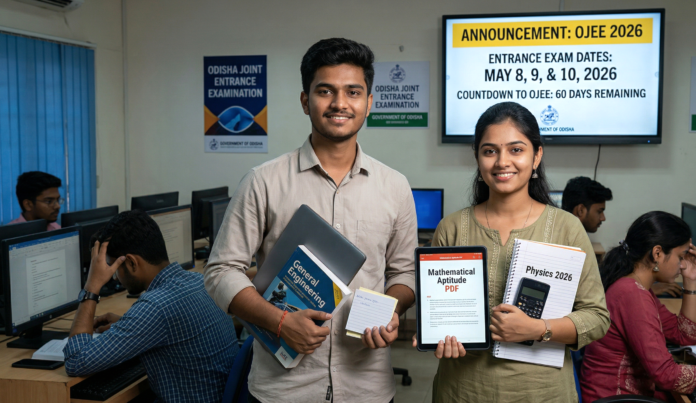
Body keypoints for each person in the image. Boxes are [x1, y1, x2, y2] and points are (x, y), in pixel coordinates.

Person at [205, 38, 417, 403]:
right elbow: (221, 270)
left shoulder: (394, 186)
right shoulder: (264, 180)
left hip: (366, 387)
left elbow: (404, 275)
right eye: (325, 91)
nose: (339, 103)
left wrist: (390, 311)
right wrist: (280, 322)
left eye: (353, 91)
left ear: (369, 101)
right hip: (282, 390)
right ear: (306, 101)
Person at [412, 102, 610, 402]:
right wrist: (434, 335)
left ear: (537, 155)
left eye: (516, 150)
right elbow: (436, 315)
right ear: (477, 157)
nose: (502, 161)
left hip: (543, 393)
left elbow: (597, 318)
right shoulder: (451, 228)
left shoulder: (567, 228)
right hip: (463, 391)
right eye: (490, 151)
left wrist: (537, 328)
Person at [63, 210, 239, 403]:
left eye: (114, 268)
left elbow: (76, 360)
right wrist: (127, 325)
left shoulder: (156, 308)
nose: (114, 277)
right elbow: (174, 326)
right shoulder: (200, 281)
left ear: (131, 262)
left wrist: (92, 286)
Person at [580, 212, 696, 402]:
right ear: (657, 253)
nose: (683, 265)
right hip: (617, 398)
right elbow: (665, 375)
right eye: (681, 257)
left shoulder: (637, 287)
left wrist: (691, 280)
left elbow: (684, 335)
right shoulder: (632, 295)